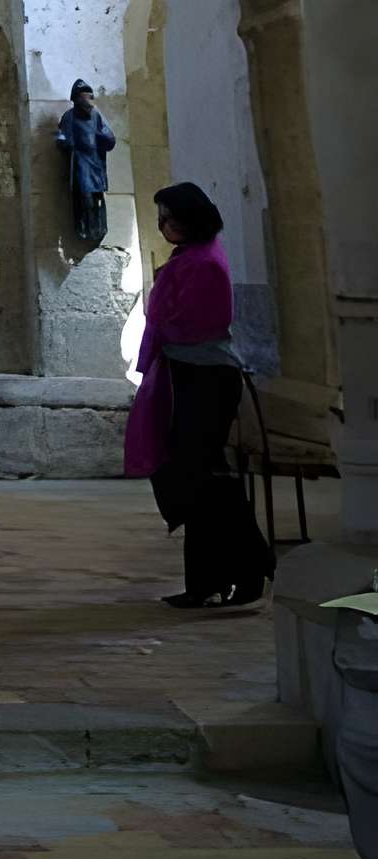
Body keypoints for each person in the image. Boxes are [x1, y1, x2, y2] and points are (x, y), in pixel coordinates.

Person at [124, 181, 276, 609]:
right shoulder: (191, 257)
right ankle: (208, 580)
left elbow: (194, 323)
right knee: (197, 480)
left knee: (202, 479)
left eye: (168, 218)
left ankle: (251, 566)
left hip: (204, 378)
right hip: (188, 375)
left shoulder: (203, 263)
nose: (162, 226)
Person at [56, 79, 115, 244]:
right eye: (84, 96)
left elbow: (108, 136)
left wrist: (104, 137)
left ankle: (99, 227)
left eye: (89, 96)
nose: (88, 99)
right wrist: (65, 142)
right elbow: (62, 136)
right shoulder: (70, 116)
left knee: (98, 196)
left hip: (95, 163)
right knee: (85, 195)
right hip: (81, 162)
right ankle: (85, 226)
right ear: (76, 98)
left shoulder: (96, 115)